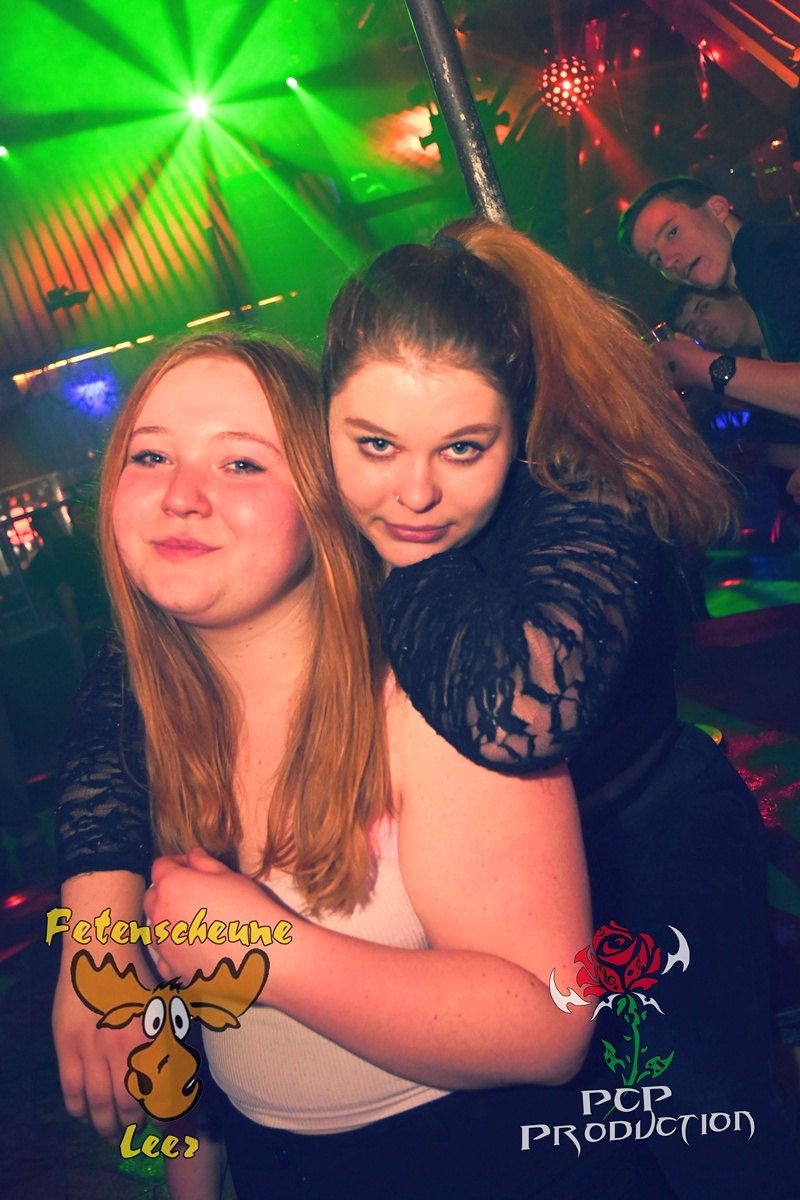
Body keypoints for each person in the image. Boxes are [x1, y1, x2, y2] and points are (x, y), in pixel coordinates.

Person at [318, 218, 800, 1196]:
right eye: (375, 441)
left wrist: (398, 545)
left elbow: (517, 717)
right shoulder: (345, 481)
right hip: (488, 903)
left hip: (645, 861)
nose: (416, 485)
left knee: (707, 1147)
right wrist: (100, 895)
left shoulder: (579, 481)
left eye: (461, 444)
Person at [53, 333, 595, 1200]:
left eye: (241, 463)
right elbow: (197, 1032)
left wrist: (268, 951)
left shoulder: (436, 695)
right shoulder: (148, 728)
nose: (181, 496)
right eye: (150, 456)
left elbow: (551, 1026)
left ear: (326, 500)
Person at [618, 176, 800, 418]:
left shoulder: (774, 255)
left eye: (672, 232)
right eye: (657, 260)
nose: (669, 262)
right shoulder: (758, 271)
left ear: (718, 209)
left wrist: (699, 366)